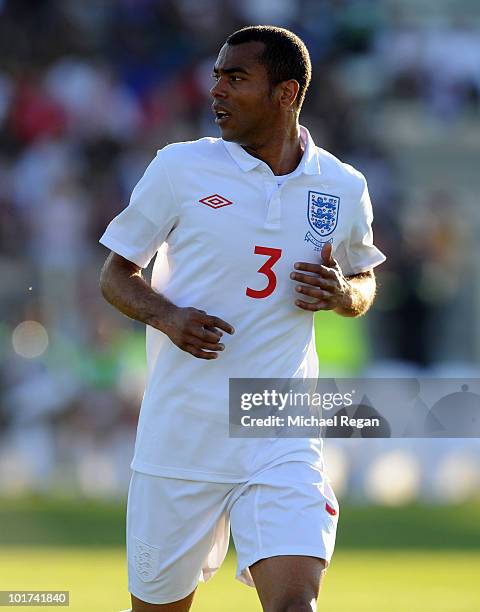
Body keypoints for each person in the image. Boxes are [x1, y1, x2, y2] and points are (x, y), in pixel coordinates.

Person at [99, 25, 385, 612]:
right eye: (216, 77)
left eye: (236, 78)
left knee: (293, 605)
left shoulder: (343, 185)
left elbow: (364, 280)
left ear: (286, 93)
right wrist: (170, 318)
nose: (216, 92)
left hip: (277, 428)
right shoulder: (180, 169)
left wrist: (341, 294)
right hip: (182, 434)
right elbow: (115, 275)